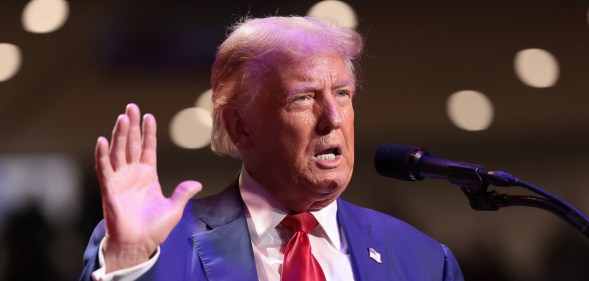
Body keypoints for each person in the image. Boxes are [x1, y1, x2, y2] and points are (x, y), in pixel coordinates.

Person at [79, 16, 464, 281]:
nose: (333, 117)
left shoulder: (424, 260)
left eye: (343, 94)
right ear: (241, 126)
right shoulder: (157, 248)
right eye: (303, 98)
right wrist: (128, 264)